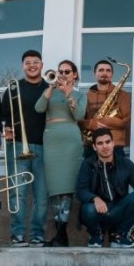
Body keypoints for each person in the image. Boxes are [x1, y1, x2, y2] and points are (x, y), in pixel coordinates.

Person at [76, 129, 134, 248]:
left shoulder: (126, 163)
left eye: (107, 142)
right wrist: (95, 198)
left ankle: (119, 235)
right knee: (87, 208)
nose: (105, 146)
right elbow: (81, 191)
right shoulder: (87, 164)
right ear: (94, 147)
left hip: (118, 209)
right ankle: (96, 235)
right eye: (100, 143)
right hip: (97, 212)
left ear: (113, 143)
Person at [36, 59, 87, 247]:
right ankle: (60, 235)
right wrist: (50, 88)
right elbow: (39, 108)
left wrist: (68, 94)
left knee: (66, 189)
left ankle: (60, 233)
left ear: (74, 75)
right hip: (51, 139)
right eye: (60, 71)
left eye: (67, 71)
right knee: (54, 189)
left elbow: (79, 115)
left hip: (71, 140)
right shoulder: (50, 92)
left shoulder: (80, 95)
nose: (63, 74)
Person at [2, 50, 48, 247]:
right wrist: (7, 130)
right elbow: (3, 116)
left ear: (42, 64)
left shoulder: (49, 87)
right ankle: (17, 234)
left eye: (35, 62)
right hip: (19, 145)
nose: (31, 66)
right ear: (23, 66)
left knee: (41, 194)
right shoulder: (13, 88)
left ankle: (37, 234)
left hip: (46, 147)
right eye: (27, 63)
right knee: (17, 193)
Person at [80, 59, 131, 159]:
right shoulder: (85, 96)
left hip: (115, 146)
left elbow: (126, 121)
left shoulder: (123, 95)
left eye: (108, 70)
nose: (105, 73)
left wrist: (107, 121)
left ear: (112, 74)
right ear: (94, 74)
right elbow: (79, 120)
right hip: (91, 145)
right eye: (101, 70)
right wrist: (90, 124)